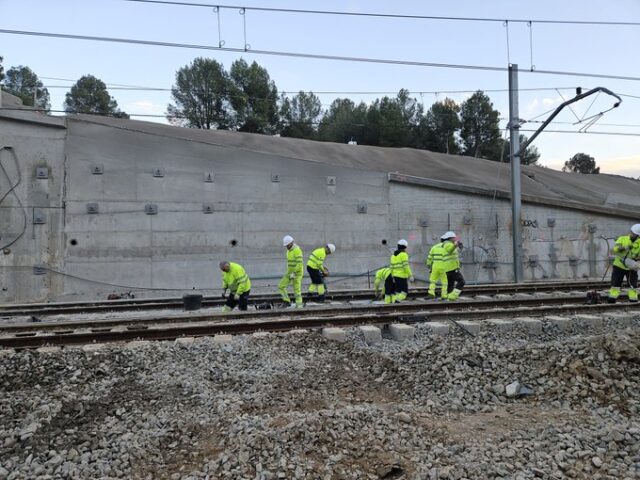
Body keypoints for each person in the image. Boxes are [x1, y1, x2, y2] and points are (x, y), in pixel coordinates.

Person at [607, 224, 640, 303]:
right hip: (619, 265)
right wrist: (625, 247)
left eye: (634, 234)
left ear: (638, 236)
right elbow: (615, 249)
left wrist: (637, 260)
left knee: (633, 284)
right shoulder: (622, 239)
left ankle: (633, 298)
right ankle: (612, 298)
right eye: (631, 232)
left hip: (631, 267)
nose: (631, 234)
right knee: (616, 283)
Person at [278, 235, 304, 308]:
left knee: (297, 289)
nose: (287, 247)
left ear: (292, 243)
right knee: (281, 286)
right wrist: (289, 273)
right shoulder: (288, 251)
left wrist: (294, 272)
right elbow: (289, 264)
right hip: (290, 273)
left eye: (288, 245)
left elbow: (299, 264)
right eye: (286, 245)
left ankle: (299, 305)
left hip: (297, 273)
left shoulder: (297, 250)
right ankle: (287, 301)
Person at [443, 232, 466, 301]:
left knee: (450, 284)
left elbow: (454, 253)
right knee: (461, 282)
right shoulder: (447, 244)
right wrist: (455, 245)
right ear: (450, 238)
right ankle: (452, 296)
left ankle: (449, 298)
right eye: (454, 238)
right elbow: (450, 250)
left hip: (449, 268)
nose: (455, 239)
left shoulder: (449, 244)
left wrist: (460, 247)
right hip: (452, 268)